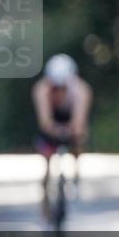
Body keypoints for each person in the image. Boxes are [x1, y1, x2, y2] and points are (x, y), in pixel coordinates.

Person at [33, 54, 92, 211]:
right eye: (55, 87)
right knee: (46, 162)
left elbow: (80, 119)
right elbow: (45, 121)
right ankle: (45, 206)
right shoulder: (41, 89)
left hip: (70, 119)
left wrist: (74, 130)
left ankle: (76, 170)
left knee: (79, 137)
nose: (59, 90)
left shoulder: (81, 90)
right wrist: (54, 130)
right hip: (52, 121)